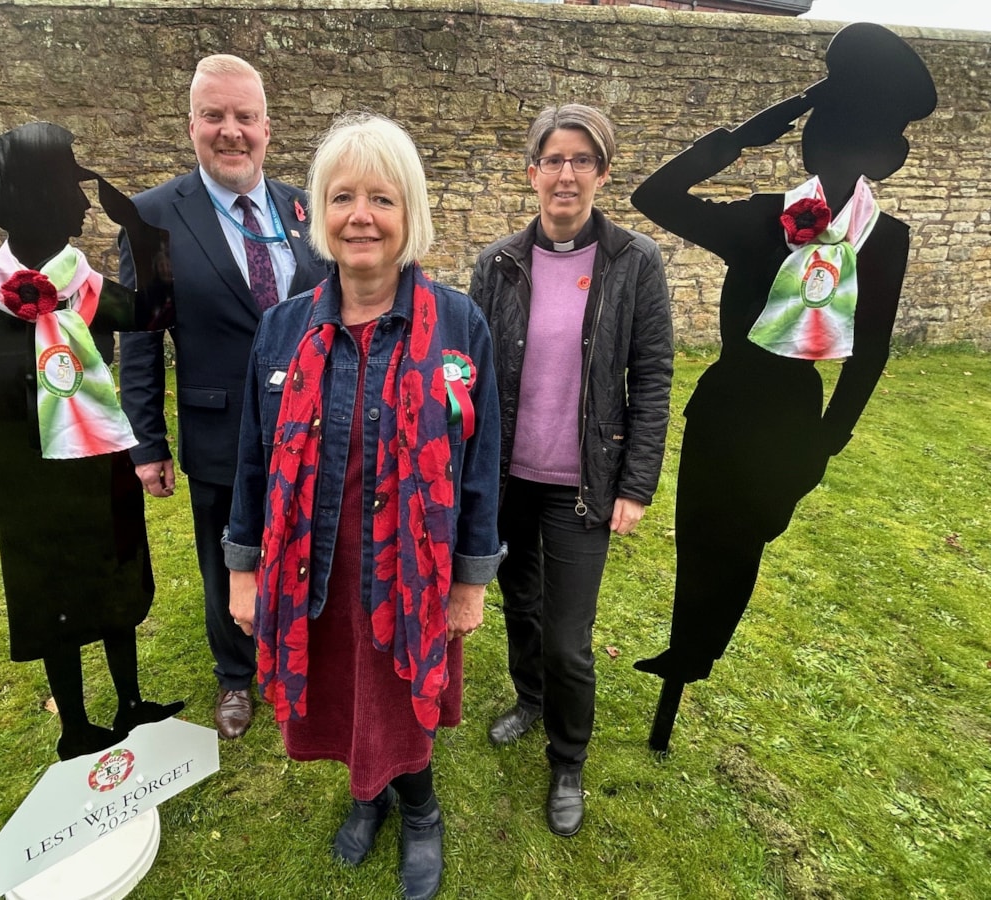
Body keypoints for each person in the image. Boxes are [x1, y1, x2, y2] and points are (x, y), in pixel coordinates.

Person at [630, 23, 936, 748]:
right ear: (808, 144)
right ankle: (684, 644)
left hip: (793, 414)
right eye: (824, 141)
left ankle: (698, 650)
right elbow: (656, 196)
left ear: (881, 163)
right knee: (699, 536)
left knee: (742, 544)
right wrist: (748, 132)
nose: (836, 161)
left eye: (855, 150)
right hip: (728, 400)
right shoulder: (769, 217)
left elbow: (871, 354)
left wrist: (829, 441)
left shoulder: (883, 240)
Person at [224, 113, 503, 900]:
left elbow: (481, 466)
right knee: (340, 690)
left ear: (408, 213)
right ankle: (365, 794)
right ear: (317, 211)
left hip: (412, 568)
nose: (361, 217)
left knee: (396, 693)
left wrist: (471, 579)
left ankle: (420, 811)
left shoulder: (459, 325)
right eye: (343, 197)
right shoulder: (283, 329)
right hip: (314, 564)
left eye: (381, 198)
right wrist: (244, 570)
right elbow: (253, 459)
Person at [469, 104, 674, 836]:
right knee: (517, 605)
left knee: (568, 636)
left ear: (602, 173)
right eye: (552, 159)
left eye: (581, 160)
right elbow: (470, 370)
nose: (565, 174)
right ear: (532, 172)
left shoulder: (634, 262)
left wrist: (637, 483)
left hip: (584, 483)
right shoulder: (497, 263)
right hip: (507, 478)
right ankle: (529, 700)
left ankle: (569, 759)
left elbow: (652, 376)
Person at [0, 122, 183, 761]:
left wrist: (140, 234)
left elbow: (152, 315)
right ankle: (75, 725)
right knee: (55, 597)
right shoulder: (1, 296)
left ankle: (131, 703)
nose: (86, 205)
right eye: (74, 193)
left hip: (99, 459)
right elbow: (10, 397)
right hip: (40, 470)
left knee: (117, 581)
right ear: (44, 202)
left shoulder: (77, 277)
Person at [118, 54, 328, 740]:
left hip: (316, 425)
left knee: (310, 539)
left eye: (245, 117)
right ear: (192, 126)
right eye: (215, 116)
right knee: (225, 554)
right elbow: (142, 340)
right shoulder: (152, 217)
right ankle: (236, 676)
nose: (230, 131)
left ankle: (306, 648)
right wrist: (145, 442)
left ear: (269, 127)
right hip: (218, 429)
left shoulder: (307, 208)